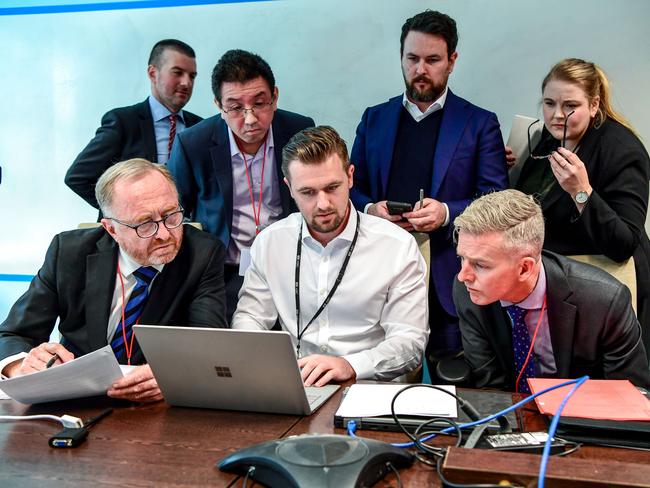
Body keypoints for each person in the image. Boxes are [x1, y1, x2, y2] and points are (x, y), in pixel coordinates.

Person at [349, 10, 508, 375]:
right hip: (379, 274)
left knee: (452, 384)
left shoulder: (479, 123)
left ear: (452, 61)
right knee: (381, 388)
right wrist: (371, 209)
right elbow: (351, 187)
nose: (421, 69)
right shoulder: (374, 118)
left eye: (432, 60)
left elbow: (498, 199)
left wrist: (448, 212)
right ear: (401, 58)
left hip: (452, 279)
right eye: (412, 59)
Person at [0, 159, 227, 402]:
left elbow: (209, 341)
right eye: (145, 224)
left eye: (171, 216)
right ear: (111, 229)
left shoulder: (202, 253)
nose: (164, 234)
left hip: (155, 404)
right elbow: (13, 334)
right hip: (77, 399)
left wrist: (174, 373)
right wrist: (22, 365)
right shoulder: (68, 252)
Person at [231, 126, 428, 386]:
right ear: (289, 188)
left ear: (350, 176)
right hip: (295, 384)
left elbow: (409, 343)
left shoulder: (397, 246)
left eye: (332, 187)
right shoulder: (270, 243)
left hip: (366, 386)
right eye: (308, 192)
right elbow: (251, 318)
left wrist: (350, 365)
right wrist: (259, 361)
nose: (323, 204)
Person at [513, 58, 650, 359]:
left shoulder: (623, 150)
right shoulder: (548, 138)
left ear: (594, 104)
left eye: (570, 105)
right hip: (559, 279)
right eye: (549, 103)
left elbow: (623, 242)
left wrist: (581, 192)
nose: (557, 115)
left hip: (608, 285)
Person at [167, 49, 314, 321]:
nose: (249, 119)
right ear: (219, 106)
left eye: (259, 103)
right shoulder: (193, 144)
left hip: (290, 266)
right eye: (235, 107)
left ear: (275, 97)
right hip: (223, 273)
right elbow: (173, 208)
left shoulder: (299, 131)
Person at [453, 189, 650, 391]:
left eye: (480, 265)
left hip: (581, 413)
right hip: (512, 412)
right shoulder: (467, 292)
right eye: (462, 258)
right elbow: (489, 385)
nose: (463, 275)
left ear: (524, 268)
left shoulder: (604, 302)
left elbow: (632, 395)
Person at [65, 39, 202, 209]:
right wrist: (122, 211)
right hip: (133, 231)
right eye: (177, 72)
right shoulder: (123, 122)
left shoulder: (200, 127)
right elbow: (79, 177)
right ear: (152, 73)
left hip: (186, 229)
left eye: (192, 76)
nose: (186, 82)